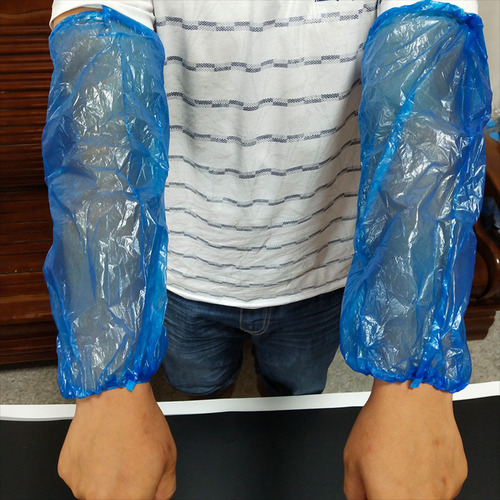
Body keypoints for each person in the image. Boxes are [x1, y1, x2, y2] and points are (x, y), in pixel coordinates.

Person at [44, 1, 488, 498]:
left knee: (292, 396)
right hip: (185, 264)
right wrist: (110, 380)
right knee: (201, 394)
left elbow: (426, 117)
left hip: (318, 261)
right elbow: (100, 123)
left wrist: (414, 380)